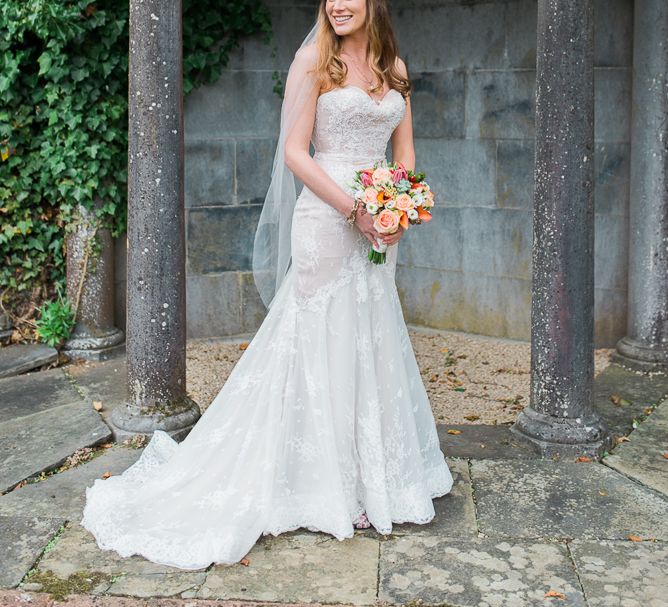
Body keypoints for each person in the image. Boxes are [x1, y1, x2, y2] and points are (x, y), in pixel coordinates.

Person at [81, 0, 454, 570]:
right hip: (327, 219)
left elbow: (403, 156)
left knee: (369, 335)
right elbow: (293, 153)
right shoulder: (312, 61)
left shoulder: (396, 69)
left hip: (377, 225)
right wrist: (354, 207)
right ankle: (324, 484)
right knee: (320, 339)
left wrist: (400, 210)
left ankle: (368, 477)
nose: (338, 5)